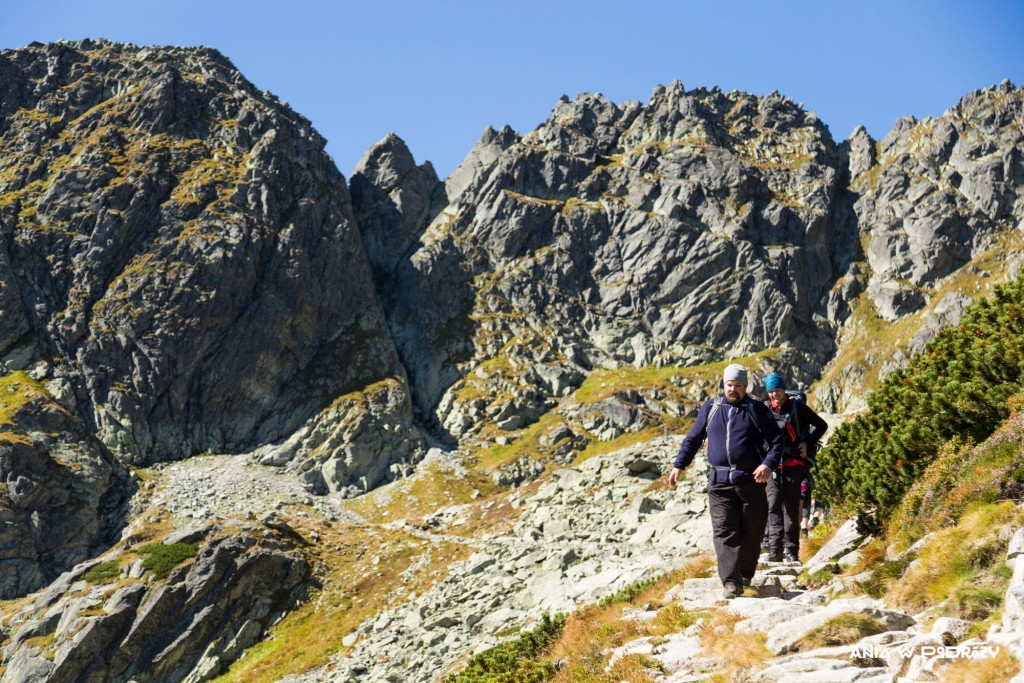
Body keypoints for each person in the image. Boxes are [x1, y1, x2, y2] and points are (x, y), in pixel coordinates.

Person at [668, 364, 784, 599]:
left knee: (752, 530)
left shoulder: (756, 409)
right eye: (730, 385)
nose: (733, 389)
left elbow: (777, 442)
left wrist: (768, 464)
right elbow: (693, 439)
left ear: (745, 387)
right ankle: (731, 582)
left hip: (750, 480)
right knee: (724, 530)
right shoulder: (711, 408)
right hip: (718, 482)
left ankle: (744, 574)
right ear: (723, 384)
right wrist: (679, 465)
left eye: (738, 386)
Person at [760, 373, 829, 564]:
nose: (775, 395)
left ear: (784, 390)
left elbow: (821, 425)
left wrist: (807, 442)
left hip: (794, 464)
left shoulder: (797, 407)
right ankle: (775, 552)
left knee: (791, 509)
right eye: (771, 392)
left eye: (778, 390)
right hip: (772, 466)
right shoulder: (764, 410)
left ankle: (791, 552)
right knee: (773, 507)